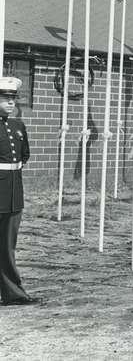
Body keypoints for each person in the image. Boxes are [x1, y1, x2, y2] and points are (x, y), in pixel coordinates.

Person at [0, 76, 38, 305]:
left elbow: (24, 156)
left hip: (14, 196)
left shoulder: (18, 126)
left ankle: (13, 293)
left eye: (13, 99)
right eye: (5, 98)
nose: (11, 103)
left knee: (7, 248)